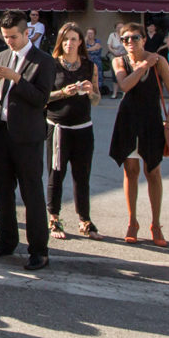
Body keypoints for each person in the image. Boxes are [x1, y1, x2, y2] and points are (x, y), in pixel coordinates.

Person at [0, 10, 56, 269]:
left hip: (28, 137)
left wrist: (16, 78)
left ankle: (39, 249)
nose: (9, 42)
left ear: (27, 33)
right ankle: (5, 241)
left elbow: (41, 99)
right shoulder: (3, 56)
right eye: (5, 37)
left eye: (14, 36)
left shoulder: (43, 61)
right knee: (3, 192)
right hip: (3, 132)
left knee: (31, 194)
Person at [110, 22, 169, 245]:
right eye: (125, 39)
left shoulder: (159, 61)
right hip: (128, 121)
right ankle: (132, 222)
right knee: (131, 171)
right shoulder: (119, 61)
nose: (130, 42)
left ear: (144, 39)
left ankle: (156, 224)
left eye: (135, 38)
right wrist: (142, 66)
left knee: (154, 171)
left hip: (151, 121)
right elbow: (125, 85)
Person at [45, 21, 99, 239]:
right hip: (58, 128)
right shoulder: (51, 65)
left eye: (73, 39)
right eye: (65, 39)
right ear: (60, 41)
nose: (69, 43)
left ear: (80, 42)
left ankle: (84, 219)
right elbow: (43, 97)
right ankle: (54, 217)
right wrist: (62, 93)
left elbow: (96, 100)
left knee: (82, 176)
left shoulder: (89, 66)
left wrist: (89, 92)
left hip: (83, 127)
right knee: (55, 174)